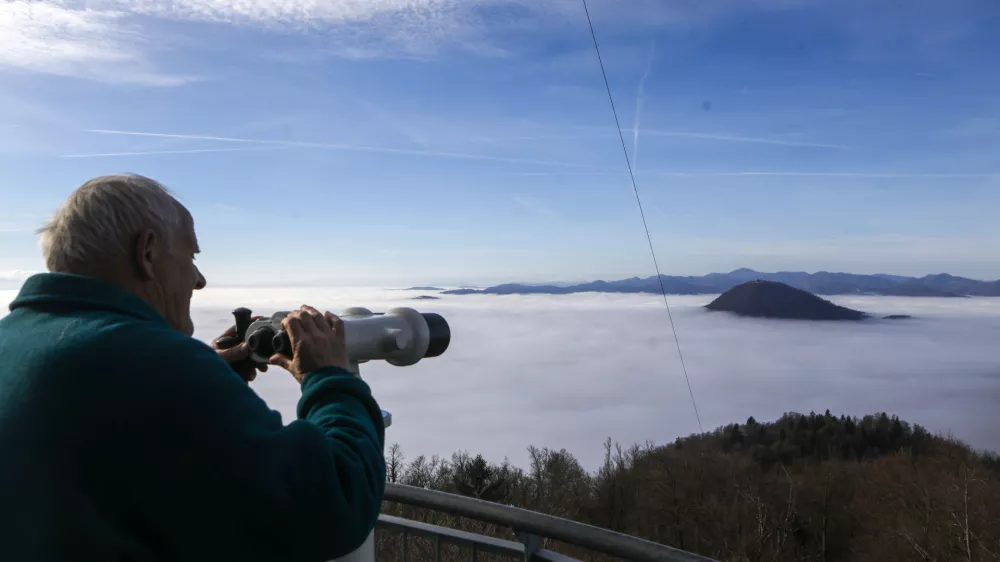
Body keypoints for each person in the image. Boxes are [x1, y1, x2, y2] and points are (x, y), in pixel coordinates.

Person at [0, 174, 386, 561]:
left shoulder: (12, 342)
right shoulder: (155, 368)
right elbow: (335, 505)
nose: (199, 280)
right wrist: (330, 378)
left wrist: (209, 381)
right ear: (147, 252)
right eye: (191, 256)